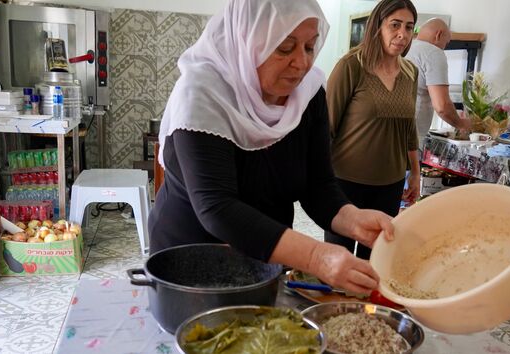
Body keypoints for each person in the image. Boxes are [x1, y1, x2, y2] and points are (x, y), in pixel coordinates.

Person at [148, 0, 394, 294]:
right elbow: (218, 208)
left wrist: (353, 219)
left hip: (265, 257)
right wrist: (317, 256)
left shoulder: (308, 94)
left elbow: (318, 186)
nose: (302, 63)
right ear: (247, 41)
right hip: (192, 260)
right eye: (285, 48)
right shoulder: (202, 94)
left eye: (309, 47)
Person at [325, 0, 419, 259]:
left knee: (376, 259)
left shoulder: (411, 72)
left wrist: (415, 173)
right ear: (377, 26)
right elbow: (326, 127)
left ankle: (368, 301)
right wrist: (316, 180)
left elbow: (409, 129)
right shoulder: (350, 66)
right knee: (338, 258)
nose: (402, 34)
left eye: (409, 27)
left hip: (390, 183)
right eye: (395, 25)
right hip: (345, 181)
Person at [406, 18, 471, 149]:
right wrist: (462, 124)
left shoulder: (407, 48)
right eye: (446, 43)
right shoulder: (433, 52)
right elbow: (442, 106)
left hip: (390, 133)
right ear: (438, 35)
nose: (444, 47)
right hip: (410, 137)